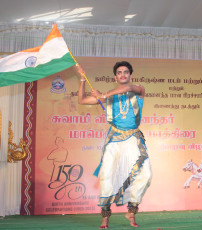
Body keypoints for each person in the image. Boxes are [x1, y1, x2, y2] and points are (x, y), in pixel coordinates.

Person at [76, 61, 152, 229]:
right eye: (119, 72)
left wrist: (103, 94)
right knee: (106, 175)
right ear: (115, 76)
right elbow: (81, 100)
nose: (123, 74)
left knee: (145, 174)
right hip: (114, 139)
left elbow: (127, 89)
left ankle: (132, 210)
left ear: (130, 75)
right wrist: (82, 80)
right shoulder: (109, 97)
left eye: (126, 72)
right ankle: (105, 218)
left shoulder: (138, 89)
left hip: (133, 138)